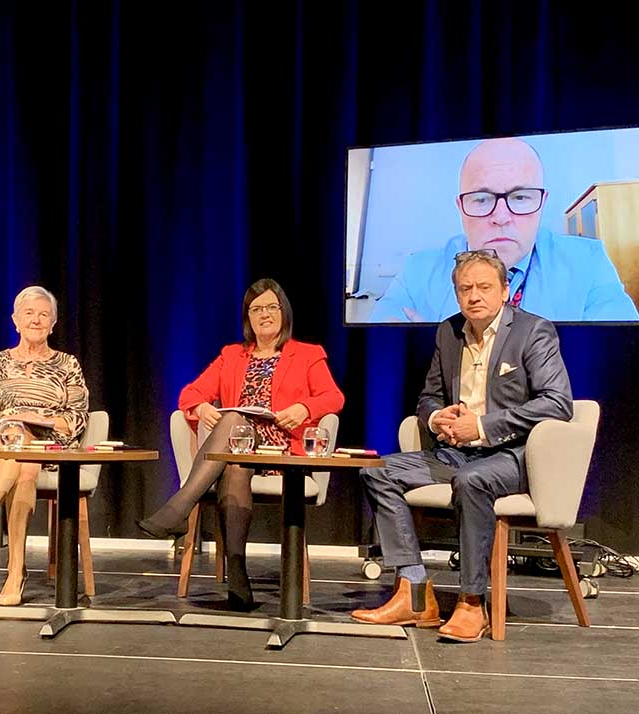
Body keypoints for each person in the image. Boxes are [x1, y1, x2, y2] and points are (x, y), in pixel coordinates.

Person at [353, 250, 573, 643]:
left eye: (484, 287)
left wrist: (483, 425)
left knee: (472, 481)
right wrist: (438, 419)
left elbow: (557, 401)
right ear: (456, 295)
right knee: (377, 469)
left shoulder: (533, 331)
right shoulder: (448, 332)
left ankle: (473, 602)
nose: (474, 296)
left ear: (506, 290)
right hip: (456, 452)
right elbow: (428, 398)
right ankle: (415, 591)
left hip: (514, 455)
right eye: (465, 289)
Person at [137, 278, 345, 611]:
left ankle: (181, 505)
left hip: (280, 446)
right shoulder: (232, 355)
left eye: (271, 307)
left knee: (233, 422)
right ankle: (237, 576)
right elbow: (189, 393)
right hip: (240, 449)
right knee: (234, 457)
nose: (265, 314)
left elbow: (334, 397)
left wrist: (304, 408)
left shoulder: (307, 355)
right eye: (256, 308)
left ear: (283, 312)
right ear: (247, 317)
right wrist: (201, 406)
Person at [369, 137, 638, 323]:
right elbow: (388, 337)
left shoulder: (588, 263)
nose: (500, 217)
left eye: (520, 197)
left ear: (542, 202)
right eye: (482, 199)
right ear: (461, 207)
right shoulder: (417, 272)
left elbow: (613, 352)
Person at [0, 286, 88, 606]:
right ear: (15, 320)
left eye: (44, 315)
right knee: (19, 452)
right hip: (2, 447)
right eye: (29, 313)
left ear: (53, 323)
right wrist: (9, 421)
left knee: (24, 447)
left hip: (50, 447)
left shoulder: (67, 364)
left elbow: (75, 420)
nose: (36, 320)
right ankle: (15, 573)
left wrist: (31, 417)